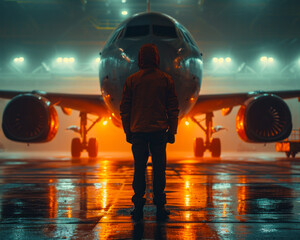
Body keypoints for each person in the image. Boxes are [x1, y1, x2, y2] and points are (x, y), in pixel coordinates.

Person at [120, 43, 179, 221]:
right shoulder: (166, 79)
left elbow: (125, 109)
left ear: (140, 59)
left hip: (138, 131)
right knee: (159, 170)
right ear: (156, 58)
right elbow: (173, 108)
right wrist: (173, 130)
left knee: (139, 170)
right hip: (159, 131)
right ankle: (160, 207)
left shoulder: (132, 80)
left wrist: (127, 131)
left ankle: (138, 207)